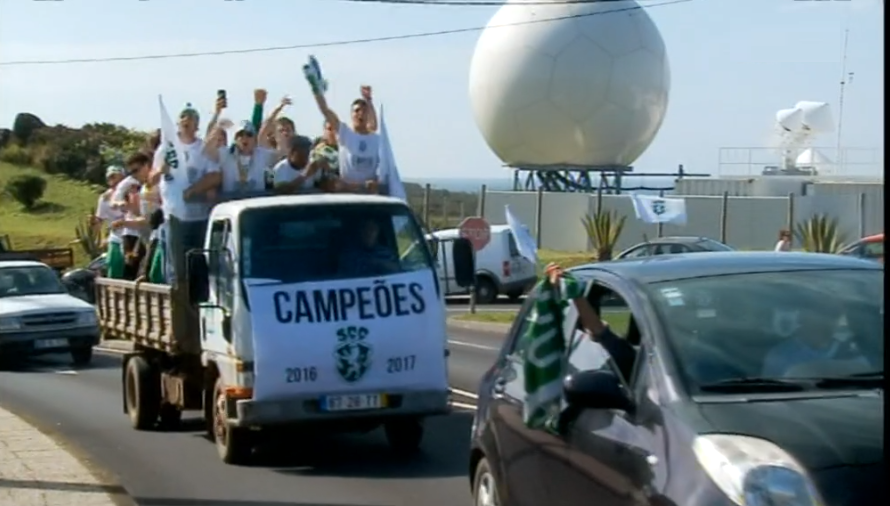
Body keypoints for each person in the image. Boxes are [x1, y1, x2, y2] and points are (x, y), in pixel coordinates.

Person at [150, 103, 221, 284]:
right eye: (184, 118)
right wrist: (161, 170)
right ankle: (179, 303)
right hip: (174, 215)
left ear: (197, 125)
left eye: (192, 119)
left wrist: (195, 189)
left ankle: (198, 305)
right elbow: (151, 179)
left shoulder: (202, 149)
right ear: (178, 123)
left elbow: (215, 175)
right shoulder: (167, 148)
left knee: (200, 264)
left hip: (199, 216)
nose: (187, 121)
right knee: (177, 267)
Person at [544, 263, 638, 380]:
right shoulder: (628, 358)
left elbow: (597, 329)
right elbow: (597, 330)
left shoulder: (642, 364)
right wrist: (572, 292)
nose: (606, 323)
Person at [761, 299, 869, 378]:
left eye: (834, 314)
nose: (826, 320)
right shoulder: (780, 356)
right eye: (821, 313)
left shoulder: (851, 353)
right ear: (802, 317)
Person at [307, 78, 380, 193]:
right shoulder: (345, 133)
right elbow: (325, 110)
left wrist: (369, 101)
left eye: (364, 111)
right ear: (351, 114)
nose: (360, 114)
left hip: (370, 196)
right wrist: (316, 89)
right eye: (356, 111)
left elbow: (373, 126)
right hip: (347, 193)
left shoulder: (376, 139)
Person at [94, 166, 126, 279]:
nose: (114, 181)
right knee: (114, 263)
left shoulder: (131, 193)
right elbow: (99, 219)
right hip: (116, 236)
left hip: (133, 235)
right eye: (111, 178)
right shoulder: (104, 198)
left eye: (117, 177)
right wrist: (99, 239)